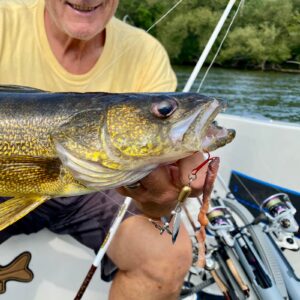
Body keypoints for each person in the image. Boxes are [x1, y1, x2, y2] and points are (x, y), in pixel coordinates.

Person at [0, 0, 208, 299]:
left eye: (163, 110)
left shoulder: (146, 54)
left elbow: (158, 203)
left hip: (94, 184)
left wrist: (162, 198)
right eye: (164, 110)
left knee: (167, 256)